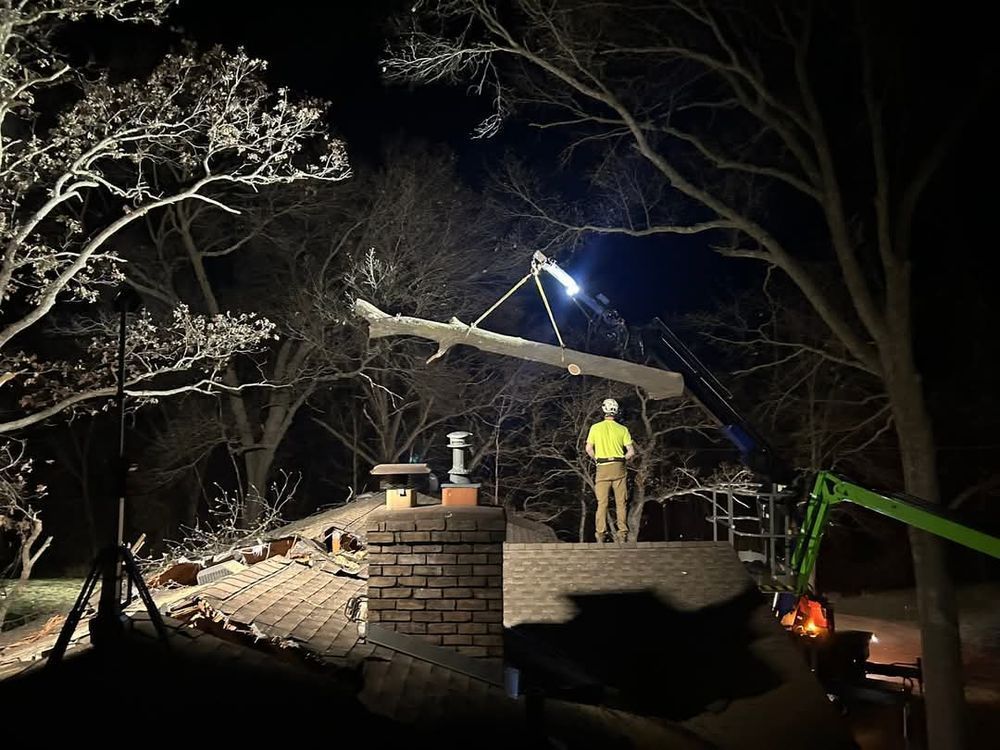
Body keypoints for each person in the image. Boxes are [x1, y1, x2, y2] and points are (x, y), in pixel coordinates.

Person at [585, 398, 635, 543]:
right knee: (621, 502)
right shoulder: (623, 429)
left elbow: (588, 448)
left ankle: (600, 533)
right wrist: (623, 459)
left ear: (603, 410)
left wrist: (596, 459)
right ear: (616, 411)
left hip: (602, 467)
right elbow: (631, 451)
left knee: (602, 503)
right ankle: (622, 532)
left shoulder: (595, 428)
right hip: (618, 466)